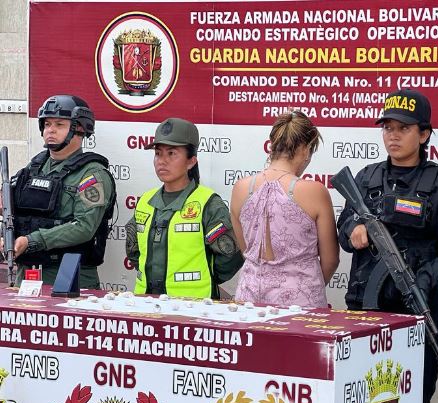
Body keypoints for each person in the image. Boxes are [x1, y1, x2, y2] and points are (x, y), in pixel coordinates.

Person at [336, 89, 438, 403]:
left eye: (404, 129)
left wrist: (421, 281)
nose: (393, 136)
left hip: (414, 316)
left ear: (424, 134)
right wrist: (354, 231)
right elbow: (343, 229)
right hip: (363, 314)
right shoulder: (366, 179)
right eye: (388, 128)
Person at [230, 110, 339, 307]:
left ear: (272, 146)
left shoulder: (240, 188)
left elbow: (246, 248)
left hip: (249, 298)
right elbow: (331, 259)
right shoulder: (314, 191)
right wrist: (306, 285)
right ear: (305, 150)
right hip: (301, 301)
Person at [125, 118, 243, 298]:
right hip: (145, 305)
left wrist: (203, 278)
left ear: (191, 161)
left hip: (192, 309)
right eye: (158, 153)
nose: (162, 161)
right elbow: (134, 252)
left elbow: (229, 259)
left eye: (172, 153)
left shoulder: (208, 203)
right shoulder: (145, 202)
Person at [11, 94, 116, 288]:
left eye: (59, 125)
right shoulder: (35, 167)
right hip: (27, 276)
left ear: (80, 129)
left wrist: (33, 240)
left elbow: (84, 227)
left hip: (69, 278)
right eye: (47, 124)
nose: (50, 130)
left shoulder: (92, 174)